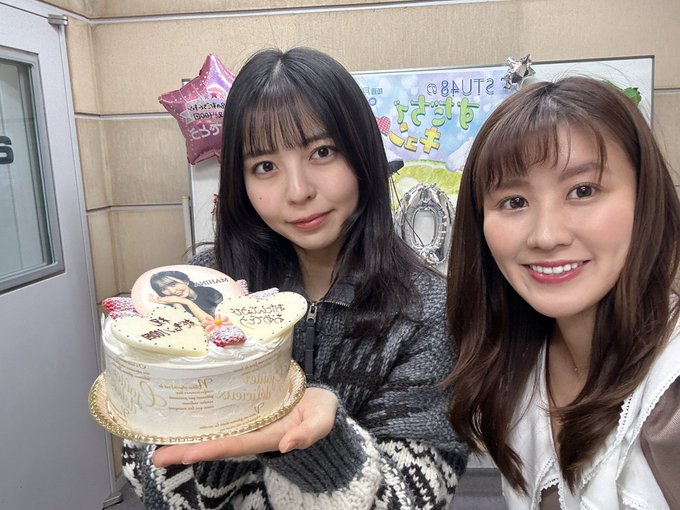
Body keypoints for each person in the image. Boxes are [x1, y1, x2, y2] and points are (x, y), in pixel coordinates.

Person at [122, 47, 468, 509]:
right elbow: (150, 468)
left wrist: (319, 447)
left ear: (363, 153)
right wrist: (221, 438)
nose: (299, 191)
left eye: (322, 152)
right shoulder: (209, 284)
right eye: (265, 166)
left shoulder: (427, 311)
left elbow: (414, 498)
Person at [445, 76, 680, 508]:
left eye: (582, 191)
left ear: (645, 198)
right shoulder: (516, 362)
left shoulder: (670, 396)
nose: (546, 235)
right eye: (514, 201)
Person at [148, 270, 223, 321]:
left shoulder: (209, 293)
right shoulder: (172, 303)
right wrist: (176, 303)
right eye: (163, 289)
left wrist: (187, 302)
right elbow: (189, 325)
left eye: (173, 284)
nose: (172, 291)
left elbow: (212, 323)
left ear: (186, 281)